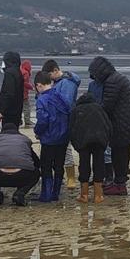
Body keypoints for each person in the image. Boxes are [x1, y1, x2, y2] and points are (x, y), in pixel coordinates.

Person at [87, 56, 130, 195]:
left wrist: (92, 112)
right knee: (121, 155)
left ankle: (119, 185)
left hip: (121, 125)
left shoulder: (112, 82)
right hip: (126, 123)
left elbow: (107, 105)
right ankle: (119, 182)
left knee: (120, 156)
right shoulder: (118, 78)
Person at [42, 59, 81, 189]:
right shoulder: (59, 82)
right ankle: (66, 177)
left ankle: (71, 177)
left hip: (64, 120)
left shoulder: (67, 83)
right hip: (59, 120)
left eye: (49, 76)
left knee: (66, 149)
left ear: (55, 70)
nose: (49, 79)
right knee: (62, 149)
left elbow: (67, 103)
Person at [33, 71, 71, 202]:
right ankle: (56, 193)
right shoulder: (62, 97)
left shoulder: (42, 99)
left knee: (46, 166)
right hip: (63, 137)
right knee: (59, 165)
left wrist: (37, 131)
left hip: (49, 138)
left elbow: (43, 120)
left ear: (38, 85)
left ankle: (46, 194)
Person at [69, 92, 111, 204]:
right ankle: (98, 195)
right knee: (99, 165)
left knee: (84, 166)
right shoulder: (99, 108)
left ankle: (84, 195)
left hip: (83, 142)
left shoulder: (76, 110)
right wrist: (106, 140)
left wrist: (76, 144)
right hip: (99, 141)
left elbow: (71, 128)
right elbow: (108, 126)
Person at [0, 123, 41, 206]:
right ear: (17, 131)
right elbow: (36, 162)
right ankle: (20, 193)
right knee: (36, 173)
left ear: (2, 131)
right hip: (22, 175)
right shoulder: (25, 139)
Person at [87, 78, 114, 184]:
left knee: (106, 150)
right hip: (95, 119)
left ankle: (109, 176)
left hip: (105, 119)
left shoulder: (108, 84)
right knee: (96, 150)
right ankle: (98, 176)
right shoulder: (92, 85)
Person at [0, 52, 24, 128]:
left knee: (7, 132)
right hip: (17, 110)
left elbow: (9, 93)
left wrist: (2, 110)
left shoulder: (9, 73)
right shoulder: (18, 72)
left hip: (9, 112)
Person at [21, 59, 34, 127]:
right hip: (24, 94)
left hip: (17, 94)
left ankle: (19, 120)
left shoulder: (19, 71)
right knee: (27, 108)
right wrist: (32, 87)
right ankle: (27, 121)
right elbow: (25, 83)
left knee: (19, 108)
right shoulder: (25, 73)